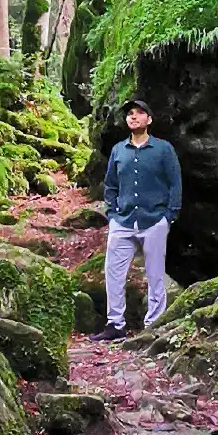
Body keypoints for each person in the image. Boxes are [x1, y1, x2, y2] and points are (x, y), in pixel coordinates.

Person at [90, 98, 181, 342]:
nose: (134, 117)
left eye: (140, 113)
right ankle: (115, 325)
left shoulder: (163, 149)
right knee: (113, 272)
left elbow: (175, 184)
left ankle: (154, 324)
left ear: (149, 120)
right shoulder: (119, 150)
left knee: (155, 274)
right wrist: (112, 213)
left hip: (154, 220)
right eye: (130, 113)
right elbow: (110, 184)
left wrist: (169, 216)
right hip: (123, 221)